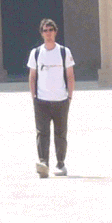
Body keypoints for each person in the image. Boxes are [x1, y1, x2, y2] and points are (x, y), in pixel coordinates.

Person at [27, 18, 74, 178]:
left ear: (55, 31)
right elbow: (32, 76)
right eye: (45, 30)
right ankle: (43, 163)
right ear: (41, 33)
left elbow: (70, 76)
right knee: (42, 133)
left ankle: (60, 163)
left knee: (60, 133)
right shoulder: (36, 53)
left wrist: (69, 96)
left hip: (61, 99)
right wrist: (34, 96)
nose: (48, 33)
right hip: (41, 100)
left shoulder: (64, 52)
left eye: (51, 30)